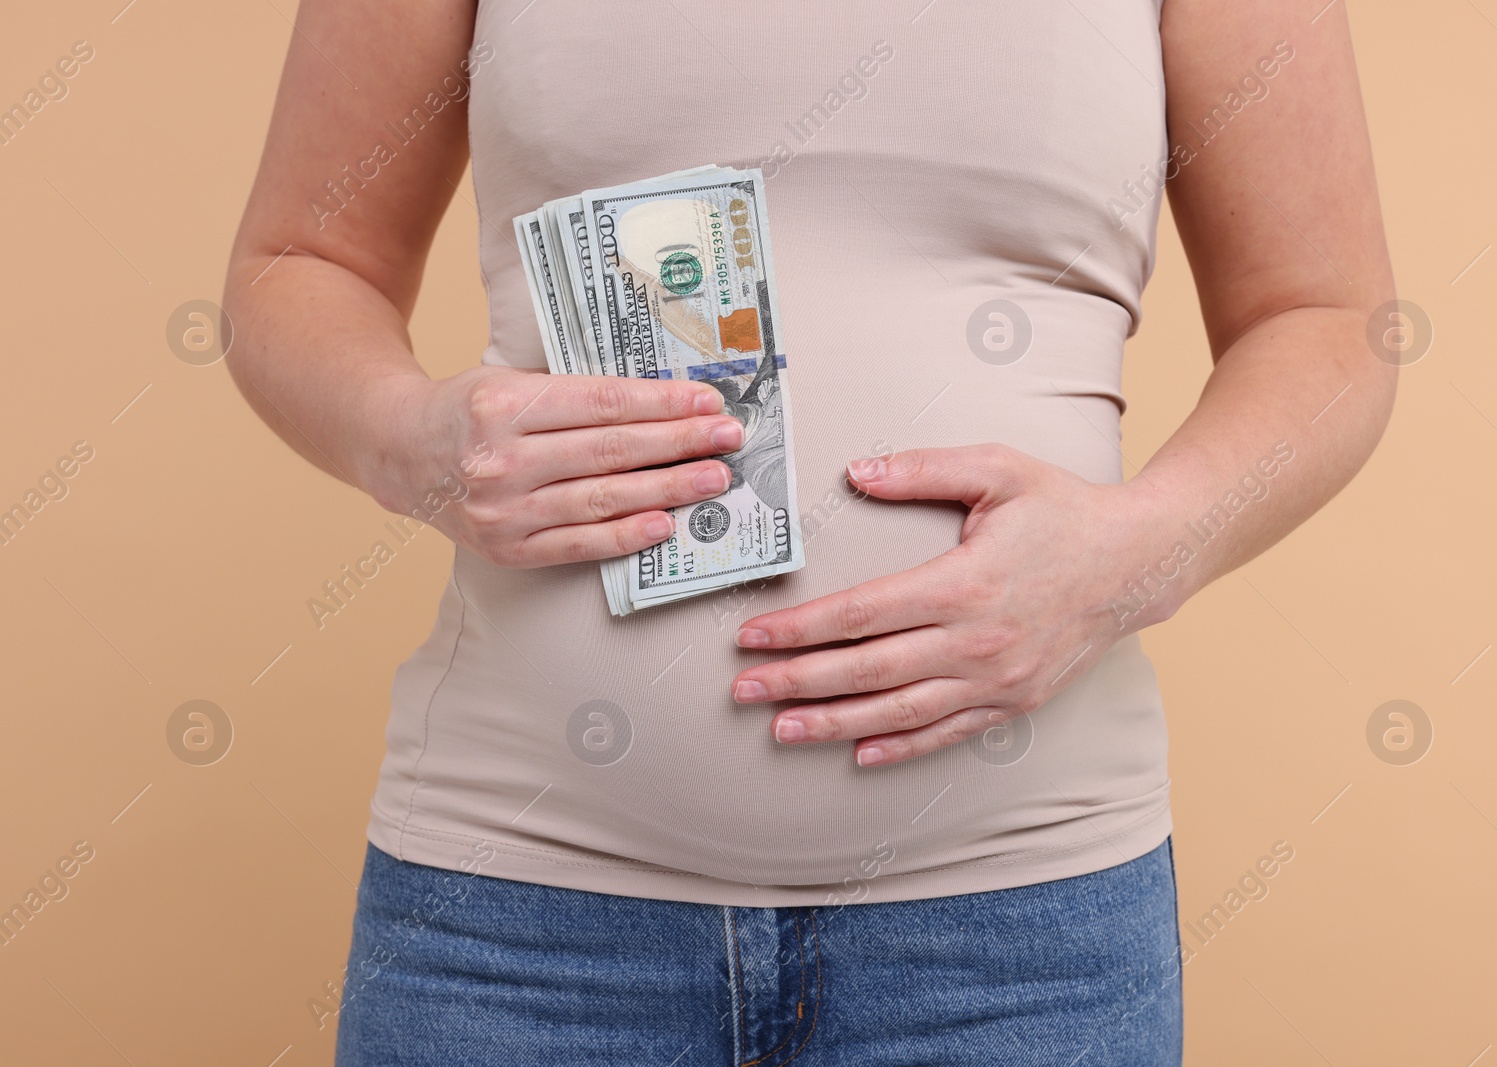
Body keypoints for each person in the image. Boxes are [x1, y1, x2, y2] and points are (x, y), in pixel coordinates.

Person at [222, 0, 1395, 1062]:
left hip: (1018, 941)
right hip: (519, 925)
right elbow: (296, 265)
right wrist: (409, 438)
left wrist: (1144, 549)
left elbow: (1328, 320)